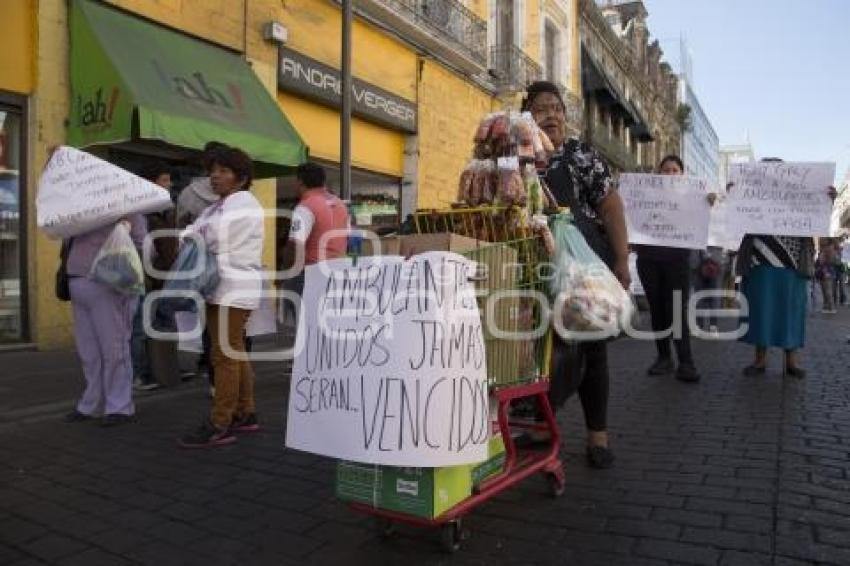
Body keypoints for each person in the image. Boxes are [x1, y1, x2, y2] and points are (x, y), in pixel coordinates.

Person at [523, 80, 630, 469]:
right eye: (540, 109)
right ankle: (540, 424)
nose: (550, 114)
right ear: (526, 118)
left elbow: (611, 205)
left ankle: (597, 436)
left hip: (581, 268)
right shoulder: (518, 157)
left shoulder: (580, 155)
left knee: (592, 345)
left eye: (556, 108)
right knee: (537, 348)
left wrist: (621, 258)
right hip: (531, 268)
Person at [178, 147, 264, 448]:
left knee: (223, 355)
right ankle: (245, 411)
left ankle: (220, 422)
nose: (215, 176)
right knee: (234, 351)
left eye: (224, 171)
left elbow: (212, 236)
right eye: (213, 170)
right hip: (224, 288)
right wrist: (195, 232)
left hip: (234, 288)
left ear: (241, 178)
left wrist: (194, 233)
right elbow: (195, 229)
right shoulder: (220, 205)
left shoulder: (243, 202)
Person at [735, 158, 837, 378]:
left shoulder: (799, 195)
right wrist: (734, 196)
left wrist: (827, 199)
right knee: (760, 310)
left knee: (791, 311)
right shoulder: (751, 196)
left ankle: (792, 361)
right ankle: (760, 361)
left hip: (793, 263)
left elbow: (818, 215)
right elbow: (735, 219)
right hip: (759, 261)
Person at [63, 212, 147, 426]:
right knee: (88, 351)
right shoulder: (77, 207)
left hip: (110, 283)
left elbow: (142, 243)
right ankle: (92, 404)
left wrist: (123, 230)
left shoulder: (128, 208)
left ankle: (119, 406)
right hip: (78, 280)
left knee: (114, 348)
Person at [635, 155, 711, 383]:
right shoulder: (645, 195)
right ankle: (664, 358)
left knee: (677, 310)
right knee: (657, 311)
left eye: (674, 170)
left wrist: (708, 202)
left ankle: (686, 362)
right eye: (665, 170)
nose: (670, 174)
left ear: (682, 174)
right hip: (648, 260)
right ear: (659, 174)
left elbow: (707, 214)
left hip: (677, 262)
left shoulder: (691, 198)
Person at [281, 162, 350, 315]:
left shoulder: (305, 207)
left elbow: (295, 245)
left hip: (310, 273)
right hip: (336, 272)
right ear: (323, 181)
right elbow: (348, 238)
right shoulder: (340, 205)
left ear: (299, 181)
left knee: (304, 328)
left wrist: (288, 273)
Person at [131, 162, 175, 392]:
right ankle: (140, 373)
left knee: (166, 322)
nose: (169, 185)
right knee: (140, 326)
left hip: (165, 276)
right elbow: (142, 245)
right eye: (164, 180)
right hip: (144, 276)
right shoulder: (140, 210)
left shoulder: (166, 208)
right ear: (151, 183)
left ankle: (166, 368)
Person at [816, 238, 837, 314]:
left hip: (827, 271)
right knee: (824, 290)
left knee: (827, 290)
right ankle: (826, 306)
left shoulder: (829, 249)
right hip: (824, 271)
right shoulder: (824, 249)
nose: (820, 240)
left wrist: (822, 259)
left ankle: (831, 307)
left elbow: (830, 261)